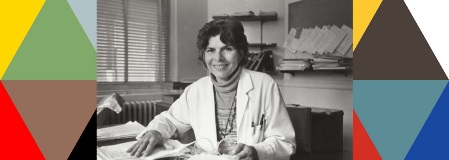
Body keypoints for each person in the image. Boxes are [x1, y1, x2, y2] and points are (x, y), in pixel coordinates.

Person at [127, 17, 296, 160]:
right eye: (210, 50)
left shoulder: (264, 85)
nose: (218, 58)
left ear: (241, 53)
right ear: (204, 55)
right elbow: (169, 120)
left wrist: (256, 152)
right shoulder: (195, 90)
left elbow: (285, 142)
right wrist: (156, 131)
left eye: (227, 49)